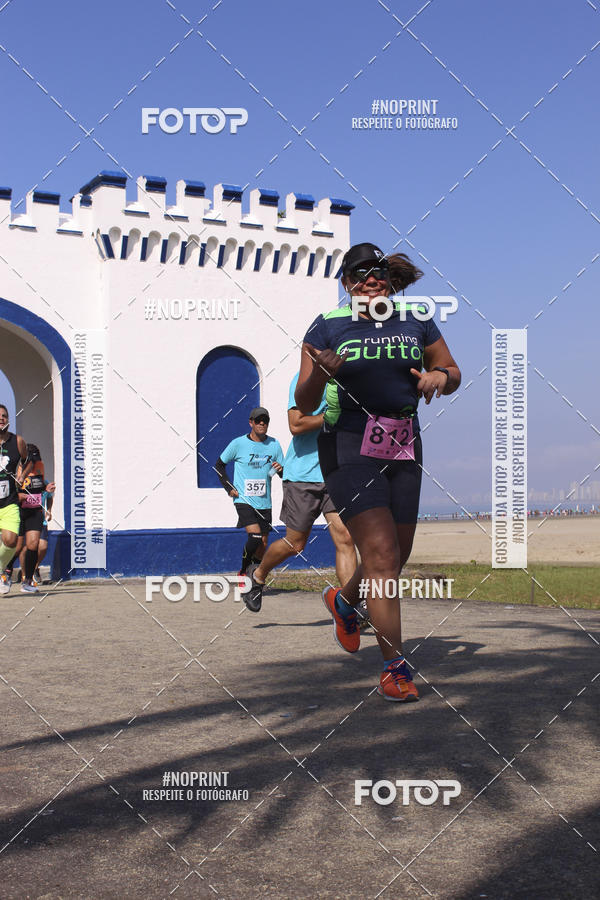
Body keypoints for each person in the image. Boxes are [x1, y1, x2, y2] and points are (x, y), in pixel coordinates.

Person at [295, 243, 461, 702]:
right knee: (383, 556)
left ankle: (345, 600)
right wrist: (321, 375)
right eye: (360, 272)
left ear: (389, 279)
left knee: (394, 557)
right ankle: (395, 668)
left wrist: (440, 378)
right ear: (347, 283)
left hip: (403, 441)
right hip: (348, 443)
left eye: (379, 271)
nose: (372, 278)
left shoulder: (416, 319)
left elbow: (451, 370)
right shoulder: (328, 326)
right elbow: (304, 402)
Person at [244, 373, 358, 613]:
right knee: (295, 544)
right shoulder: (304, 380)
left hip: (335, 474)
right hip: (303, 477)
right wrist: (330, 416)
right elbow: (296, 425)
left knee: (345, 538)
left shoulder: (350, 378)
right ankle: (259, 574)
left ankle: (350, 607)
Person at [215, 408, 284, 595]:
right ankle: (244, 571)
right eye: (258, 420)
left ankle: (254, 573)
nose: (262, 423)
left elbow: (282, 473)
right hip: (243, 500)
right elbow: (219, 465)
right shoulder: (238, 444)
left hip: (265, 502)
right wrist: (228, 487)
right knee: (254, 536)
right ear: (251, 422)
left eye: (265, 420)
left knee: (263, 543)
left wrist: (279, 469)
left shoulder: (274, 445)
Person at [5, 444, 55, 594]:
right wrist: (18, 496)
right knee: (17, 546)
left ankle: (27, 581)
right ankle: (6, 573)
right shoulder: (13, 470)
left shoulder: (39, 469)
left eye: (35, 460)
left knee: (33, 544)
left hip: (35, 511)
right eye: (30, 461)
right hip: (18, 511)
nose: (33, 463)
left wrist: (46, 490)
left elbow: (38, 489)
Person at [0, 405, 29, 595]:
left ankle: (1, 570)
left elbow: (28, 461)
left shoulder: (17, 441)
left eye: (4, 416)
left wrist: (22, 475)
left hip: (9, 502)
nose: (1, 418)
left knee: (11, 541)